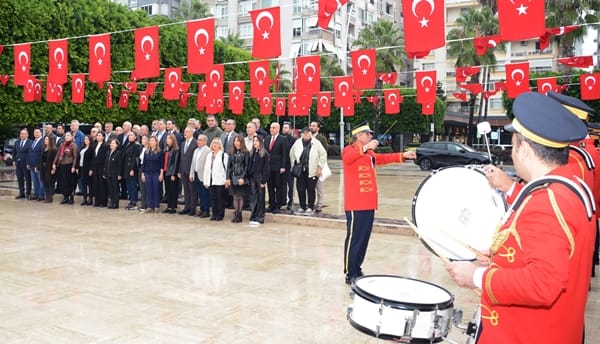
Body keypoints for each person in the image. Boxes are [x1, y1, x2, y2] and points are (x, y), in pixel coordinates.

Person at [446, 92, 595, 343]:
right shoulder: (568, 185)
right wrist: (498, 258)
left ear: (523, 147)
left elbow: (543, 283)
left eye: (514, 143)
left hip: (526, 334)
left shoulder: (547, 201)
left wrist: (475, 276)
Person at [342, 122, 416, 285]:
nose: (370, 136)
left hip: (368, 202)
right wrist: (367, 147)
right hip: (355, 203)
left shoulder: (369, 153)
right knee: (354, 238)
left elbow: (382, 158)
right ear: (358, 136)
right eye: (367, 134)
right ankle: (350, 272)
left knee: (363, 239)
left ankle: (357, 268)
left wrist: (403, 155)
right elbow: (348, 159)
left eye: (370, 134)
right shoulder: (351, 149)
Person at [289, 127, 327, 215]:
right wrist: (293, 166)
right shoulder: (297, 142)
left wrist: (320, 166)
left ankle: (310, 207)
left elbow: (323, 154)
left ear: (310, 134)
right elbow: (292, 153)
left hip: (312, 170)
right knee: (300, 189)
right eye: (304, 133)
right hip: (300, 170)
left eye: (307, 133)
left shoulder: (316, 143)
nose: (305, 135)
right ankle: (302, 206)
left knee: (311, 189)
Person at [203, 137, 228, 221]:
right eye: (213, 143)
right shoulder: (209, 155)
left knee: (220, 198)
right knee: (213, 198)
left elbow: (226, 169)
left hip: (220, 180)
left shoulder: (223, 155)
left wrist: (226, 181)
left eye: (216, 143)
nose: (215, 144)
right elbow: (206, 168)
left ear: (220, 145)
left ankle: (220, 214)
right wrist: (206, 181)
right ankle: (214, 213)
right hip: (211, 180)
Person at [227, 134, 250, 223]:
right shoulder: (231, 152)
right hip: (233, 177)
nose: (236, 143)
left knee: (240, 196)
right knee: (234, 196)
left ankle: (239, 214)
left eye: (238, 141)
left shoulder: (246, 153)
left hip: (241, 177)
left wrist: (242, 178)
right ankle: (236, 213)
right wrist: (228, 178)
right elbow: (229, 167)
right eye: (235, 141)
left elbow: (246, 167)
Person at [247, 135, 270, 225]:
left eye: (256, 141)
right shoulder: (252, 152)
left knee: (261, 197)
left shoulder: (264, 154)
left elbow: (266, 168)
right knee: (254, 197)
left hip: (260, 177)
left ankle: (260, 216)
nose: (255, 142)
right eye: (254, 141)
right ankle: (254, 214)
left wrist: (263, 181)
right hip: (252, 177)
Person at [265, 122, 287, 213]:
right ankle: (271, 204)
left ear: (278, 129)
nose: (271, 129)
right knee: (270, 187)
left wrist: (283, 166)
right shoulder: (267, 139)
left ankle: (278, 205)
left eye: (273, 128)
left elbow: (284, 154)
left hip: (278, 167)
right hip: (268, 167)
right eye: (270, 127)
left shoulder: (282, 139)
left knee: (278, 187)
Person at [53, 131, 79, 204]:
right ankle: (65, 196)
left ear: (71, 137)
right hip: (62, 165)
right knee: (63, 182)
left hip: (69, 165)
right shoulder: (62, 145)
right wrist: (54, 163)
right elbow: (58, 155)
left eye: (68, 135)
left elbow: (75, 157)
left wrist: (74, 166)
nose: (66, 137)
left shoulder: (73, 145)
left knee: (71, 182)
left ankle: (71, 197)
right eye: (66, 136)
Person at [190, 134, 211, 218]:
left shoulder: (208, 151)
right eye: (198, 140)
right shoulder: (196, 150)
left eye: (200, 140)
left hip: (203, 175)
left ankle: (206, 210)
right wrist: (191, 173)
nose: (198, 141)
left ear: (205, 141)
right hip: (196, 174)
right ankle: (202, 209)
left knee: (205, 193)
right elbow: (193, 163)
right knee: (199, 193)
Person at [141, 136, 164, 213]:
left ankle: (156, 206)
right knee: (148, 189)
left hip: (156, 173)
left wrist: (161, 174)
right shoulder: (146, 152)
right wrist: (143, 174)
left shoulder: (160, 152)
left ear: (156, 142)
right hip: (147, 173)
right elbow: (144, 163)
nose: (151, 142)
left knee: (156, 189)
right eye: (150, 141)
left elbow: (161, 164)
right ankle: (149, 206)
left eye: (153, 141)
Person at [310, 121, 329, 213]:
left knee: (319, 187)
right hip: (309, 166)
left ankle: (319, 204)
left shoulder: (321, 138)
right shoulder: (307, 137)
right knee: (310, 186)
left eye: (314, 126)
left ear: (318, 128)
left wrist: (321, 166)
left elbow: (324, 152)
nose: (312, 127)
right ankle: (310, 203)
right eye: (311, 126)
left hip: (318, 166)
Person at [178, 127, 198, 216]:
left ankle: (193, 208)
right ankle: (187, 206)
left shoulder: (195, 143)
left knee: (192, 190)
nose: (184, 133)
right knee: (186, 190)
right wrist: (179, 170)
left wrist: (192, 171)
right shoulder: (182, 143)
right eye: (184, 131)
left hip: (191, 171)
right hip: (183, 170)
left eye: (187, 131)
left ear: (191, 133)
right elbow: (181, 158)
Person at [162, 133, 180, 214]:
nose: (167, 140)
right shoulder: (166, 149)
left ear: (173, 140)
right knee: (168, 190)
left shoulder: (176, 149)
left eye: (169, 138)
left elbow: (175, 162)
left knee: (173, 190)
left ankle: (173, 207)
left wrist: (173, 174)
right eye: (167, 138)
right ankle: (169, 206)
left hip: (172, 173)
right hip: (166, 171)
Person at [123, 131, 142, 210]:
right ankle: (131, 200)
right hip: (126, 168)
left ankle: (134, 201)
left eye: (131, 135)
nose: (129, 137)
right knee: (129, 186)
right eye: (129, 135)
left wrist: (132, 169)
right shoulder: (127, 145)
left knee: (133, 185)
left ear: (135, 137)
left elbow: (135, 158)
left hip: (132, 169)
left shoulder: (136, 146)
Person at [91, 131, 109, 207]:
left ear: (103, 137)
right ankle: (97, 200)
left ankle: (103, 201)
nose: (98, 137)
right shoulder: (95, 145)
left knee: (102, 184)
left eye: (99, 135)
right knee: (96, 183)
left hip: (102, 167)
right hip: (95, 167)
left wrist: (105, 169)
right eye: (97, 135)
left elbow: (105, 158)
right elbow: (93, 157)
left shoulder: (105, 146)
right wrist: (91, 168)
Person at [103, 139, 122, 209]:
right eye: (111, 143)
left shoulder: (119, 153)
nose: (111, 144)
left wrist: (119, 174)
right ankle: (111, 201)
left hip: (115, 174)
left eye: (113, 143)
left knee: (115, 189)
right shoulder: (108, 153)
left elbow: (120, 164)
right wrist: (104, 173)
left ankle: (115, 203)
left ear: (117, 145)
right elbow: (105, 163)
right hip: (108, 173)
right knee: (110, 189)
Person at [281, 122, 296, 211]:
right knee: (282, 185)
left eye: (286, 128)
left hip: (290, 166)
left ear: (290, 129)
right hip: (281, 166)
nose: (284, 129)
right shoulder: (281, 139)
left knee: (290, 185)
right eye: (284, 127)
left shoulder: (294, 140)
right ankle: (283, 200)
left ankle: (291, 201)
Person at [14, 128, 32, 199]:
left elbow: (30, 154)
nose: (22, 135)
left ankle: (28, 193)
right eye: (21, 134)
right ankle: (21, 193)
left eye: (24, 134)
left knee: (27, 179)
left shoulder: (30, 142)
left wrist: (28, 162)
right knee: (19, 178)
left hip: (26, 163)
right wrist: (14, 160)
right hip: (18, 163)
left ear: (27, 135)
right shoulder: (17, 142)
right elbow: (14, 152)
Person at [39, 136, 57, 203]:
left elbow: (55, 160)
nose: (45, 141)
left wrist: (53, 169)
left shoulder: (53, 150)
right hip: (43, 168)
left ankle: (50, 197)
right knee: (45, 182)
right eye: (45, 139)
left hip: (49, 168)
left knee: (50, 183)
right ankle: (47, 197)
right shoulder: (43, 148)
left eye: (47, 139)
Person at [27, 128, 44, 201]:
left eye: (37, 132)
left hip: (38, 165)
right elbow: (29, 153)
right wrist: (28, 163)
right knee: (34, 180)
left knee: (40, 180)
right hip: (31, 164)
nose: (36, 134)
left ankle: (41, 195)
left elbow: (41, 155)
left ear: (41, 133)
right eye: (35, 132)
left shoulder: (42, 141)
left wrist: (38, 165)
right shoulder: (33, 141)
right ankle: (36, 194)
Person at [78, 135, 93, 206]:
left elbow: (92, 160)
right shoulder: (82, 147)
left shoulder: (91, 148)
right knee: (83, 183)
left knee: (89, 183)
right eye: (85, 139)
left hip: (87, 167)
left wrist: (91, 169)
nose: (86, 140)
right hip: (81, 166)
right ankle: (84, 198)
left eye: (87, 139)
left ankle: (90, 198)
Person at [138, 135, 149, 211]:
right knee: (142, 187)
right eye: (142, 139)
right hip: (141, 167)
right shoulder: (141, 148)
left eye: (144, 139)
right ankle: (143, 204)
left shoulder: (149, 149)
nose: (142, 140)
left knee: (146, 187)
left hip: (147, 168)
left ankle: (147, 204)